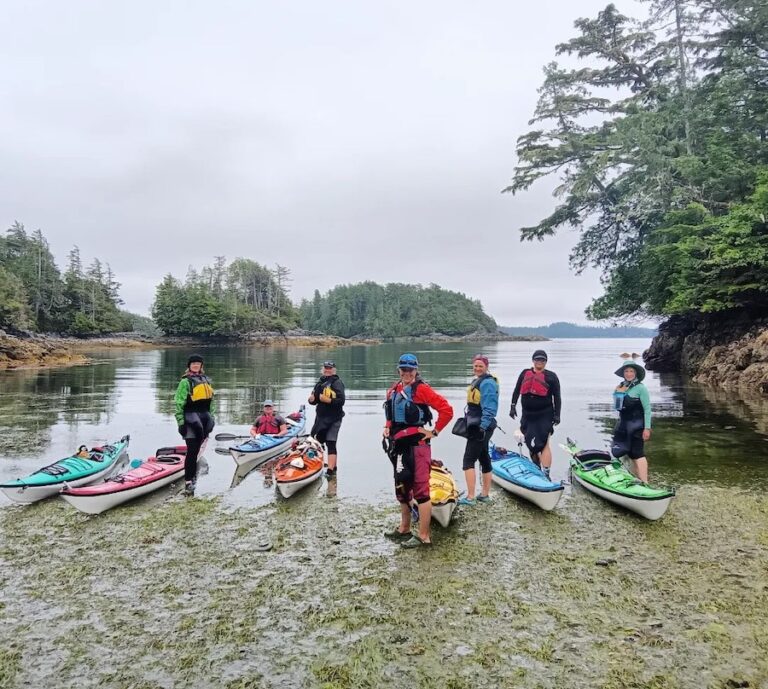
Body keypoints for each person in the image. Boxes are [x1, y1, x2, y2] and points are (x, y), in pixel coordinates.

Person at [382, 353, 453, 548]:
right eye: (403, 369)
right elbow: (391, 413)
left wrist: (435, 431)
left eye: (410, 369)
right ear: (399, 370)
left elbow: (447, 410)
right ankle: (404, 528)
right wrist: (387, 426)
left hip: (418, 447)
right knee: (402, 489)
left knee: (421, 491)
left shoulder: (422, 390)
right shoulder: (394, 390)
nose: (407, 373)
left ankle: (424, 536)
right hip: (399, 446)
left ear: (416, 370)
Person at [509, 349, 561, 480]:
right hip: (528, 415)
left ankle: (547, 473)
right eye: (537, 359)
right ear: (533, 361)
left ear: (546, 362)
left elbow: (557, 397)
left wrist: (557, 415)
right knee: (530, 443)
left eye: (542, 360)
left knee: (544, 443)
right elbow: (516, 390)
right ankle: (537, 468)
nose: (540, 362)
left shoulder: (552, 377)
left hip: (545, 414)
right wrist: (513, 406)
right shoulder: (524, 373)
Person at [459, 354, 499, 506]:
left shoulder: (487, 383)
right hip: (479, 425)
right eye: (475, 366)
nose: (477, 368)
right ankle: (484, 495)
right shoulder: (478, 381)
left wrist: (482, 427)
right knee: (483, 457)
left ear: (486, 367)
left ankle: (470, 497)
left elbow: (490, 408)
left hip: (481, 426)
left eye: (480, 366)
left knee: (468, 460)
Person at [174, 354, 215, 496]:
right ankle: (188, 482)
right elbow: (179, 403)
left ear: (201, 366)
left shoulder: (206, 380)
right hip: (190, 420)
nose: (196, 365)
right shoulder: (185, 382)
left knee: (197, 450)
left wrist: (212, 417)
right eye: (193, 364)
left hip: (203, 418)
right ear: (189, 366)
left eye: (198, 363)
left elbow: (211, 402)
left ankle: (193, 477)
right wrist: (181, 423)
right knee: (192, 451)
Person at [611, 357, 652, 482]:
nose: (629, 374)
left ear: (635, 373)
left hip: (638, 426)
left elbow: (647, 409)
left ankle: (645, 482)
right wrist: (618, 394)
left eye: (631, 371)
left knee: (638, 453)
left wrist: (647, 428)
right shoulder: (620, 387)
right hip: (624, 425)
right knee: (630, 454)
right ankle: (636, 479)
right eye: (626, 371)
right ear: (623, 374)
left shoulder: (641, 388)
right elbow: (618, 408)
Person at [308, 360, 346, 477]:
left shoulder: (337, 383)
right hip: (321, 418)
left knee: (331, 442)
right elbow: (315, 400)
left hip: (334, 418)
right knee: (316, 440)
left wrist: (329, 400)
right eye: (326, 368)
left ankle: (330, 470)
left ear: (333, 370)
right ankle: (317, 465)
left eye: (329, 368)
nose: (327, 370)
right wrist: (311, 400)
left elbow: (341, 401)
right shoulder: (320, 382)